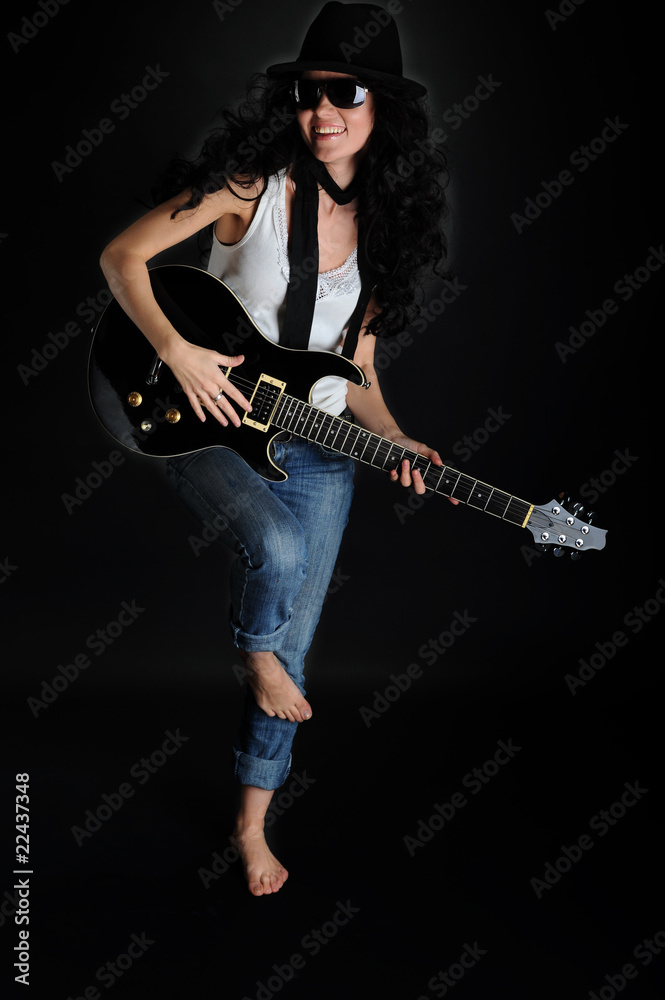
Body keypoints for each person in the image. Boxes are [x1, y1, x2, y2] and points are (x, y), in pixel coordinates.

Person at [99, 1, 453, 896]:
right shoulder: (248, 188)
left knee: (296, 659)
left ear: (384, 110)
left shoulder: (387, 224)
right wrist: (177, 353)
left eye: (348, 94)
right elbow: (121, 258)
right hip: (209, 422)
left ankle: (251, 824)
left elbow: (357, 370)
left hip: (320, 443)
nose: (323, 112)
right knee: (279, 553)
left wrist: (398, 438)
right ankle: (250, 649)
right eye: (309, 93)